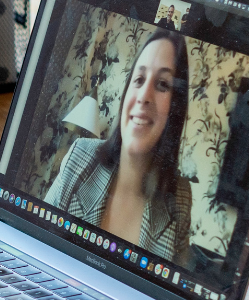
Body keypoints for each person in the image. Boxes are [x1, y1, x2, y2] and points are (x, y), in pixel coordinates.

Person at [45, 29, 192, 263]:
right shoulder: (80, 156)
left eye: (163, 84)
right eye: (139, 79)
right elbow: (36, 241)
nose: (144, 96)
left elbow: (170, 293)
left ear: (175, 108)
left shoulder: (180, 198)